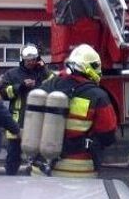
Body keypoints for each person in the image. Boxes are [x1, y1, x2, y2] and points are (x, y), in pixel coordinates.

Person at [38, 44, 117, 178]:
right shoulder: (97, 96)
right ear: (88, 67)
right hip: (77, 170)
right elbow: (107, 135)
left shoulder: (46, 86)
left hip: (42, 169)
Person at [0, 44, 54, 175]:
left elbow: (54, 83)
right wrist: (20, 87)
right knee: (13, 156)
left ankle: (37, 178)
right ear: (23, 59)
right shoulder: (12, 74)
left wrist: (44, 69)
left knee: (38, 157)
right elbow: (2, 93)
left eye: (34, 60)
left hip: (38, 121)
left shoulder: (42, 73)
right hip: (17, 123)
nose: (31, 63)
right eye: (28, 60)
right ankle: (9, 181)